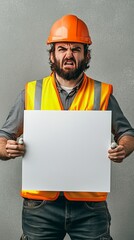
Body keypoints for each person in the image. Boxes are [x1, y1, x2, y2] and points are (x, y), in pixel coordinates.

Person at [0, 14, 134, 240]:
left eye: (76, 49)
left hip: (89, 207)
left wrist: (123, 148)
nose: (69, 55)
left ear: (86, 54)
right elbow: (3, 138)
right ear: (52, 54)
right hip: (40, 207)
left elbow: (127, 134)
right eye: (62, 48)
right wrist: (7, 149)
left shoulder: (102, 93)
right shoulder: (32, 92)